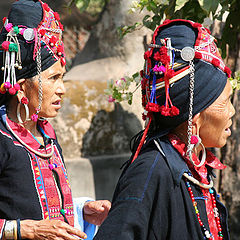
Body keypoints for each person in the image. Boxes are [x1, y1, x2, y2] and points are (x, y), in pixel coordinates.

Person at [94, 19, 234, 240]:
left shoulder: (195, 167)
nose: (232, 112)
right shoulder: (151, 171)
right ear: (195, 116)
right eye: (225, 102)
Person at [0, 1, 110, 239]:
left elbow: (37, 207)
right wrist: (24, 229)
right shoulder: (3, 139)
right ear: (21, 88)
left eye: (63, 77)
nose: (62, 89)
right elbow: (32, 221)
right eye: (53, 78)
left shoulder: (46, 134)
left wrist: (82, 210)